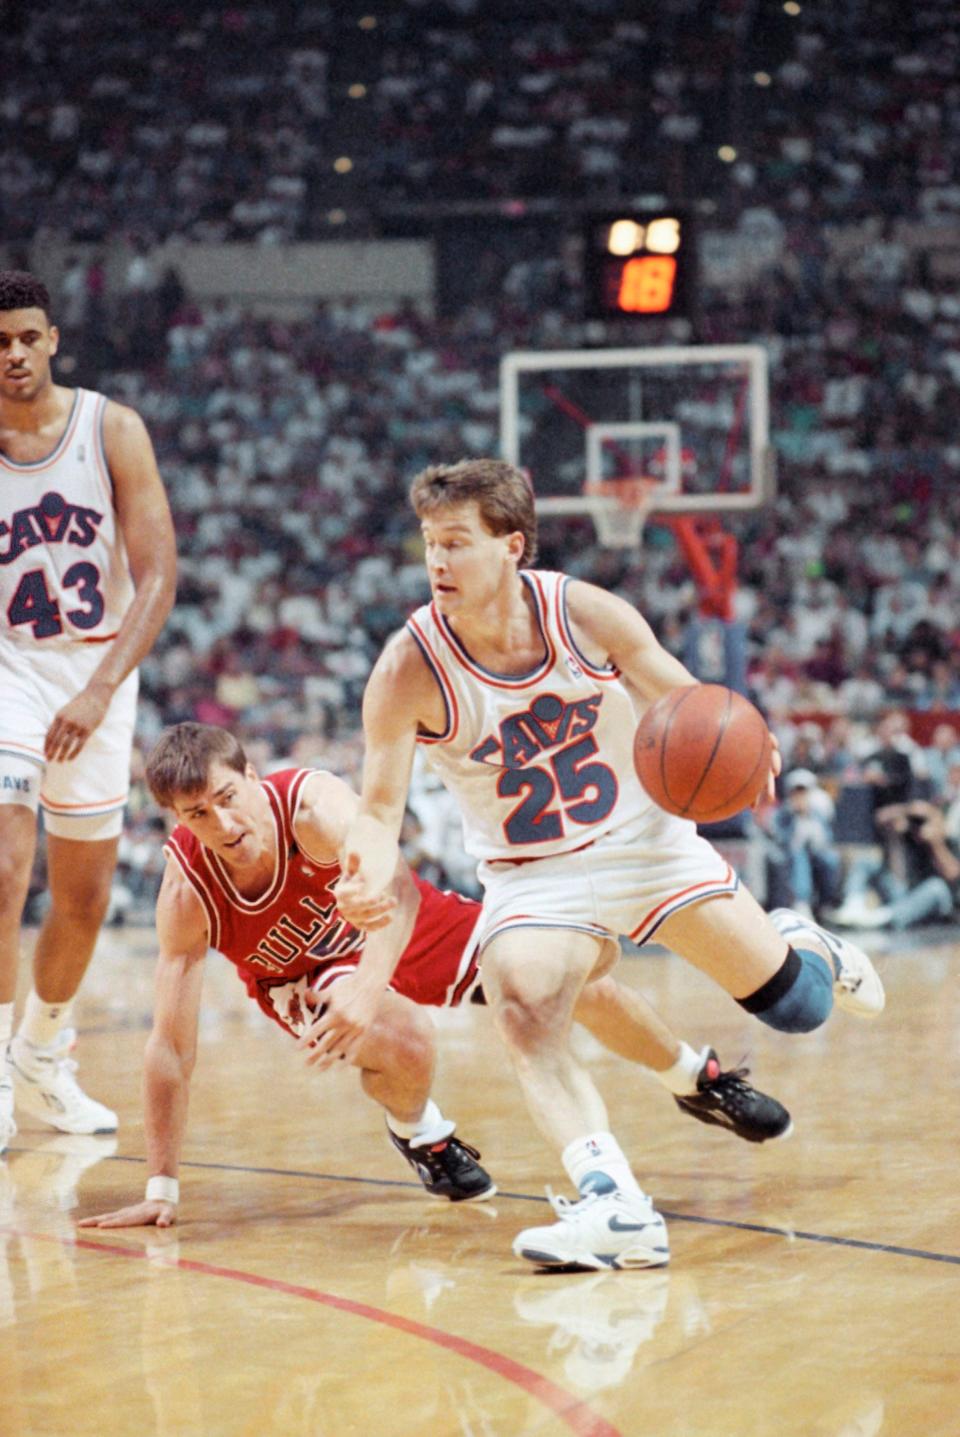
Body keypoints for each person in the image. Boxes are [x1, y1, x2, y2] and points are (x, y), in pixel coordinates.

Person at [331, 458, 885, 1271]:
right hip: (532, 875)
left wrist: (740, 736)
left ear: (511, 545)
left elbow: (684, 695)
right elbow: (379, 809)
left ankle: (811, 949)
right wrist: (363, 866)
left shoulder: (581, 613)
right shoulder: (407, 666)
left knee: (799, 1008)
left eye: (456, 542)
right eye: (429, 545)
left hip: (647, 845)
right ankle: (615, 1204)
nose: (437, 563)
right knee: (520, 1004)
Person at [80, 722, 791, 1231]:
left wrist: (369, 978)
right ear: (174, 820)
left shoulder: (314, 807)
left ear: (255, 780)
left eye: (228, 797)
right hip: (302, 971)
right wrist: (161, 1184)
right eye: (197, 814)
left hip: (396, 918)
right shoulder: (188, 892)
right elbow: (170, 1047)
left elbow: (403, 893)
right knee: (407, 1036)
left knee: (562, 987)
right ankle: (424, 1134)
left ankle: (695, 1077)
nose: (223, 822)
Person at [0, 270, 177, 1155]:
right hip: (8, 668)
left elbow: (159, 575)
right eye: (0, 343)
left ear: (54, 338)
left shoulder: (110, 428)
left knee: (84, 898)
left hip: (99, 671)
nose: (15, 354)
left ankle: (40, 1053)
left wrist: (101, 687)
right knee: (4, 863)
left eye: (28, 337)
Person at [764, 768, 843, 919]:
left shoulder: (817, 813)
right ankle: (801, 902)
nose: (800, 795)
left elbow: (825, 839)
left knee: (831, 860)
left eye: (803, 791)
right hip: (790, 855)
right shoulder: (783, 814)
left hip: (816, 853)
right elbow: (781, 840)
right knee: (799, 857)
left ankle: (828, 904)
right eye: (796, 791)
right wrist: (795, 819)